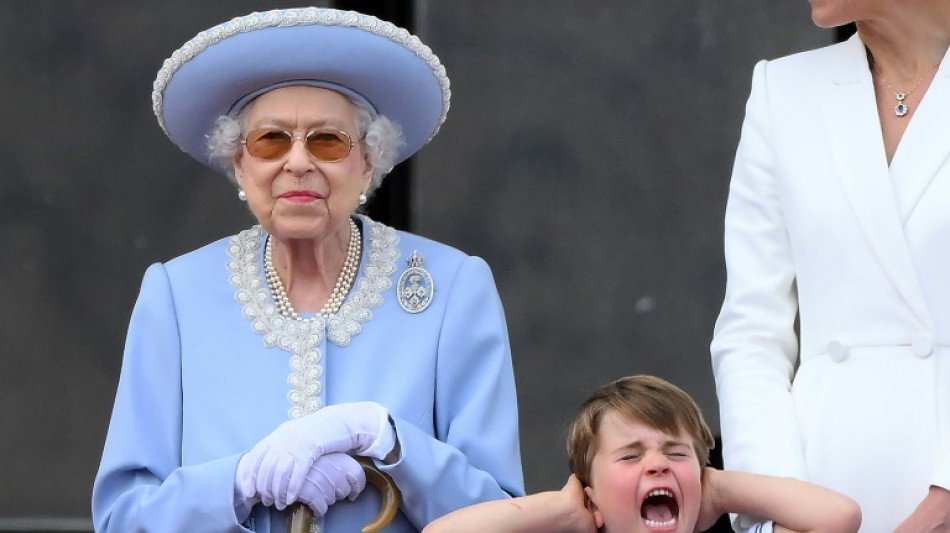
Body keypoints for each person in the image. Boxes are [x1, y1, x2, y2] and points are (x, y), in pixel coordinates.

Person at [91, 7, 524, 532]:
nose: (298, 162)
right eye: (271, 140)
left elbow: (502, 517)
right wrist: (239, 483)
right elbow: (121, 519)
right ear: (239, 164)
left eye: (327, 140)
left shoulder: (453, 287)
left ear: (368, 162)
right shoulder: (176, 295)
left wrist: (387, 440)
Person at [710, 2, 950, 532]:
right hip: (826, 497)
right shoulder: (784, 91)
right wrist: (777, 512)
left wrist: (943, 504)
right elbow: (750, 334)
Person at [422, 375, 861, 533]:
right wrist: (561, 508)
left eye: (676, 453)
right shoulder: (574, 512)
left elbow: (838, 517)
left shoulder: (711, 495)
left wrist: (719, 487)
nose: (657, 463)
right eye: (630, 457)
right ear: (591, 497)